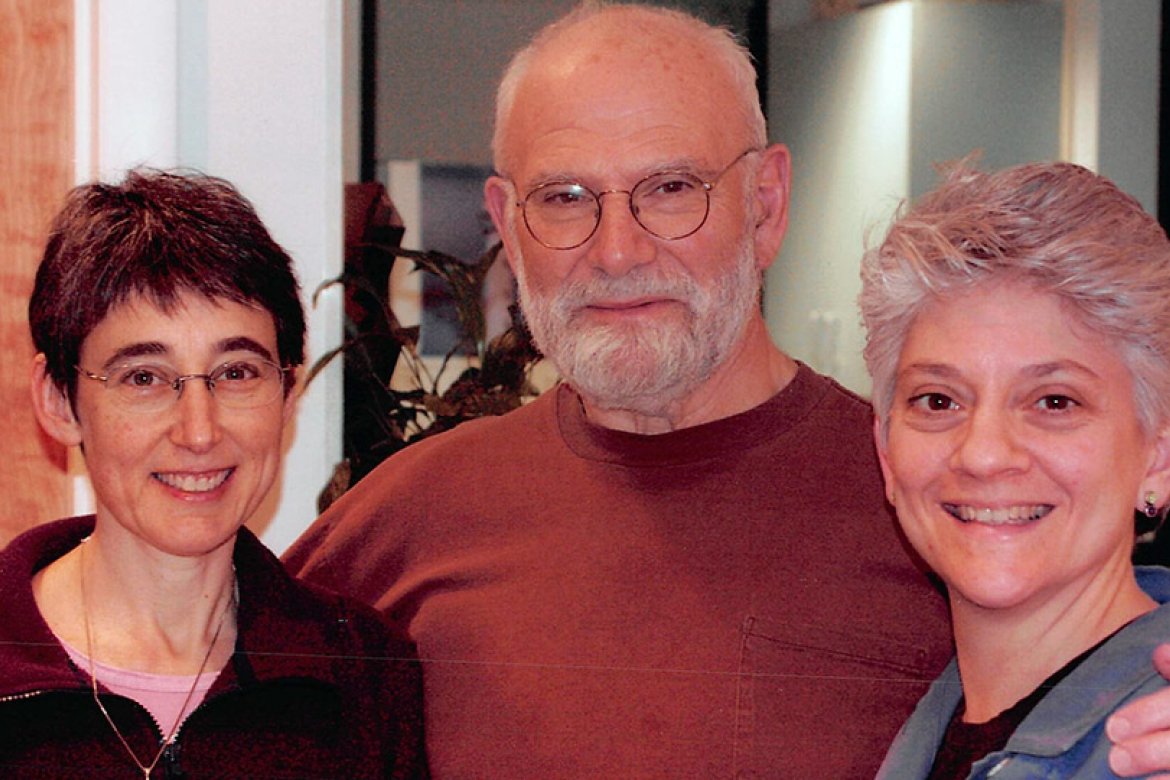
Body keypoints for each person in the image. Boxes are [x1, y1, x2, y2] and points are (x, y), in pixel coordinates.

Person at [284, 4, 950, 776]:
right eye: (565, 198)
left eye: (670, 187)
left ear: (766, 205)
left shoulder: (925, 505)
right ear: (507, 222)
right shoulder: (411, 520)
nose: (618, 251)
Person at [0, 169, 427, 777]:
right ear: (59, 401)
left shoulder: (365, 675)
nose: (198, 431)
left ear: (288, 390)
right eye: (144, 378)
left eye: (236, 373)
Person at [861, 160, 1170, 778]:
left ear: (1157, 459)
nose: (984, 455)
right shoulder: (929, 731)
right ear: (887, 455)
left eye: (1055, 402)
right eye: (938, 400)